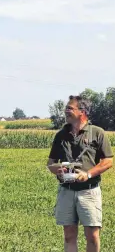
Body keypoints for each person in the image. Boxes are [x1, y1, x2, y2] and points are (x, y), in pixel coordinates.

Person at [47, 95, 113, 252]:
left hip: (89, 191)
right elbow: (50, 164)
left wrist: (88, 174)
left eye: (70, 108)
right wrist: (57, 170)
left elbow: (108, 161)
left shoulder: (97, 133)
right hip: (66, 191)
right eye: (66, 108)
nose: (66, 111)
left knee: (92, 236)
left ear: (82, 111)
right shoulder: (61, 135)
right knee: (69, 235)